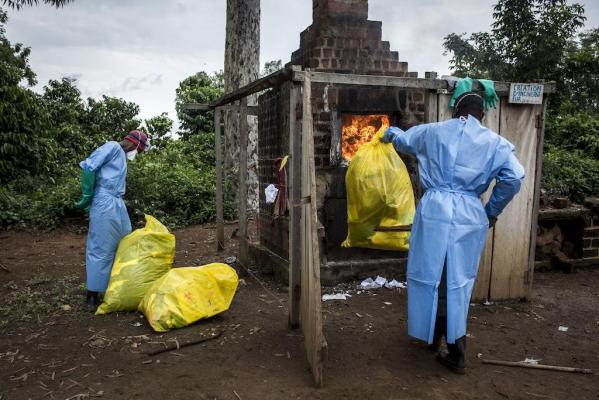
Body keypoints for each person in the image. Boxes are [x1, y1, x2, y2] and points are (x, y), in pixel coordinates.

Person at [382, 92, 524, 374]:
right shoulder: (495, 143)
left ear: (455, 109)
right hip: (469, 213)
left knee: (429, 272)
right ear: (481, 115)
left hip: (435, 209)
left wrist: (390, 132)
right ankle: (443, 341)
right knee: (457, 278)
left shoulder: (433, 131)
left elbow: (403, 140)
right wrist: (491, 211)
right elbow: (514, 177)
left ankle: (445, 345)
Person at [75, 130, 149, 312]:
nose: (137, 154)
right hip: (104, 201)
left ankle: (115, 286)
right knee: (100, 247)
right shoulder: (113, 147)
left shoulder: (122, 156)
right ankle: (92, 295)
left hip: (117, 203)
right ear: (133, 144)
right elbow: (89, 167)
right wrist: (87, 194)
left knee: (125, 242)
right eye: (138, 150)